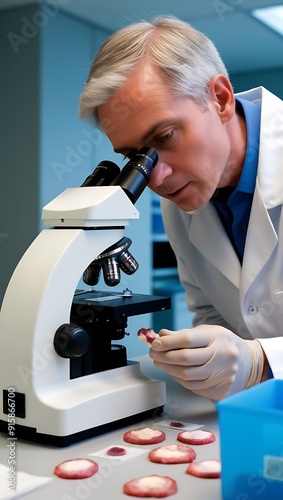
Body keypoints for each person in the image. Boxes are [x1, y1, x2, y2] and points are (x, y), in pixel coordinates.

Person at [79, 15, 283, 402]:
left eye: (165, 136)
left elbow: (252, 356)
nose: (156, 178)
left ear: (220, 99)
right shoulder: (181, 193)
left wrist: (263, 361)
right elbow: (215, 315)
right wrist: (200, 357)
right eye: (135, 156)